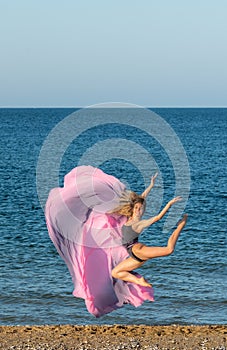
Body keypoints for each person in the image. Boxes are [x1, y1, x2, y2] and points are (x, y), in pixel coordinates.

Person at [111, 174, 187, 288]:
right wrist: (151, 185)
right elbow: (142, 197)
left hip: (137, 250)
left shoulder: (140, 224)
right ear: (133, 209)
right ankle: (139, 281)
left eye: (140, 209)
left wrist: (169, 204)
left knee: (169, 250)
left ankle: (181, 225)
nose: (138, 210)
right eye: (136, 208)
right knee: (115, 273)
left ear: (142, 211)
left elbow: (157, 218)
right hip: (134, 256)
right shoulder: (129, 218)